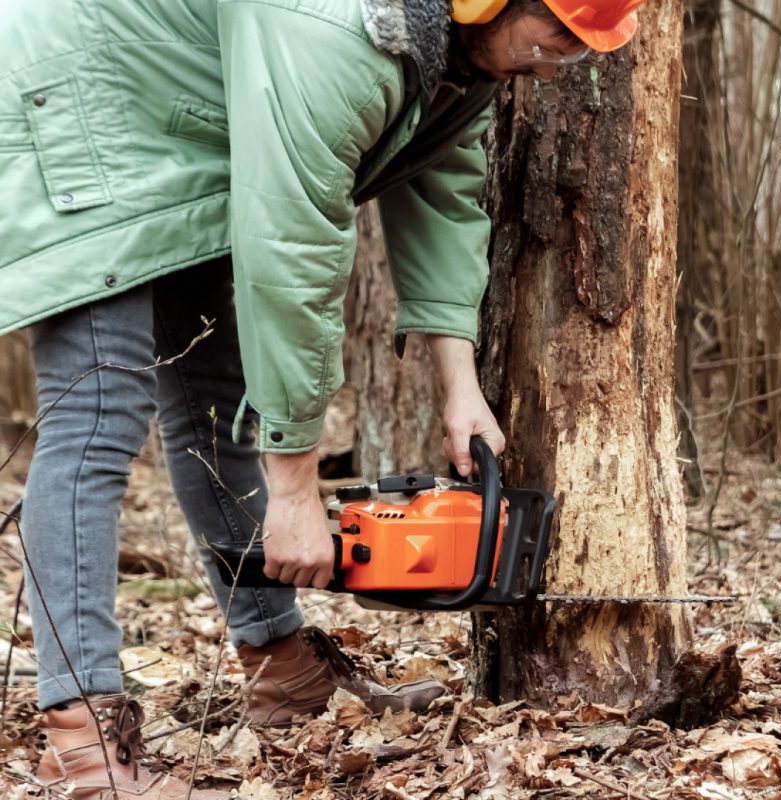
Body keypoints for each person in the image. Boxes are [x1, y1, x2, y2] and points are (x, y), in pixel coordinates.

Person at [0, 0, 643, 795]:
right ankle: (82, 738)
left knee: (216, 399)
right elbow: (292, 261)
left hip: (177, 118)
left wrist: (460, 383)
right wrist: (295, 490)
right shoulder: (341, 31)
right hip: (79, 91)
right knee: (100, 411)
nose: (561, 60)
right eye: (560, 35)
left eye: (582, 52)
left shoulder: (458, 59)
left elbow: (442, 197)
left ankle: (281, 669)